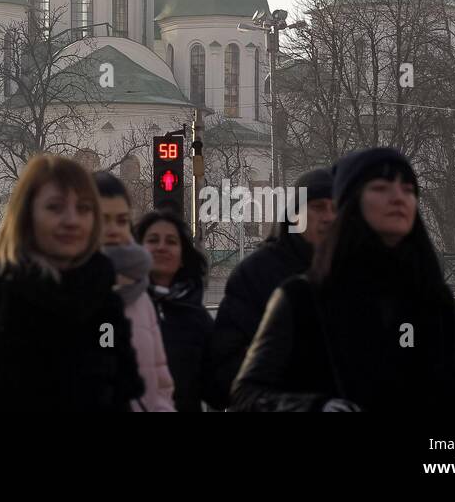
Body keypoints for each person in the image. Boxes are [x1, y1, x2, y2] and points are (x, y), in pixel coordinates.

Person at [231, 147, 455, 412]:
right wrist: (314, 407)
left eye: (408, 189)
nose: (398, 198)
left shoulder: (434, 302)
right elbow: (247, 395)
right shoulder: (300, 298)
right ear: (349, 203)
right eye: (381, 188)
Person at [0, 155, 144, 411]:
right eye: (55, 207)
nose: (71, 220)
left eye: (83, 208)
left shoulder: (104, 300)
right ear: (27, 214)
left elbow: (120, 394)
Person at [204, 167, 336, 408]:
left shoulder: (353, 273)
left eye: (335, 208)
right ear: (295, 214)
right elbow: (225, 370)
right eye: (318, 207)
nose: (328, 217)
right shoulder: (256, 274)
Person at [95, 171, 174, 412]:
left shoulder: (140, 296)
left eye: (121, 220)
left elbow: (161, 382)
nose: (113, 229)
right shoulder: (68, 292)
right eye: (102, 219)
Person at [137, 207, 213, 412]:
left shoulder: (199, 320)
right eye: (153, 240)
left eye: (171, 242)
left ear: (182, 258)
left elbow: (218, 391)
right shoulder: (117, 307)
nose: (161, 247)